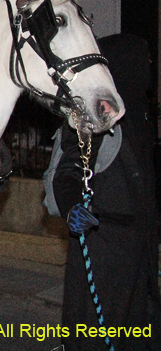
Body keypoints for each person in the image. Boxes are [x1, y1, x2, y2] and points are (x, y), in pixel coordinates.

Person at [52, 34, 161, 350]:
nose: (150, 69)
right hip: (106, 246)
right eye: (146, 62)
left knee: (138, 329)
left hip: (139, 247)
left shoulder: (139, 115)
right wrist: (73, 208)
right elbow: (68, 172)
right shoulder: (96, 113)